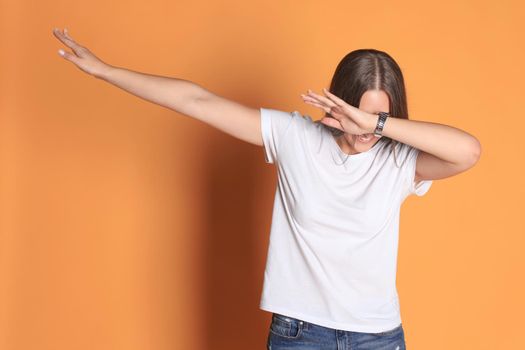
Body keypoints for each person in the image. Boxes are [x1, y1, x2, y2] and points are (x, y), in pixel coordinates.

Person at [52, 28, 482, 349]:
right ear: (339, 101)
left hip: (379, 338)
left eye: (375, 118)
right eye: (356, 112)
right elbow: (196, 101)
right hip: (300, 334)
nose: (363, 129)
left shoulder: (398, 161)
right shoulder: (295, 137)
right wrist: (106, 72)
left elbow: (469, 151)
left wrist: (375, 125)